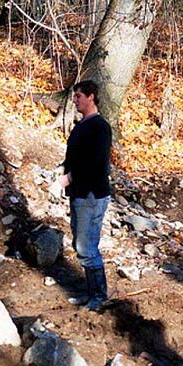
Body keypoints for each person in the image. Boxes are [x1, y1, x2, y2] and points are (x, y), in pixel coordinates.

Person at [54, 80, 112, 311]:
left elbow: (96, 165)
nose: (75, 100)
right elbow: (78, 158)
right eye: (75, 96)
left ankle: (98, 295)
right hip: (80, 194)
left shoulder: (99, 127)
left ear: (91, 97)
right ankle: (90, 292)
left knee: (87, 246)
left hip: (92, 195)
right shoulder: (82, 125)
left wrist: (69, 178)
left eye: (79, 96)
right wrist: (63, 171)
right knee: (81, 245)